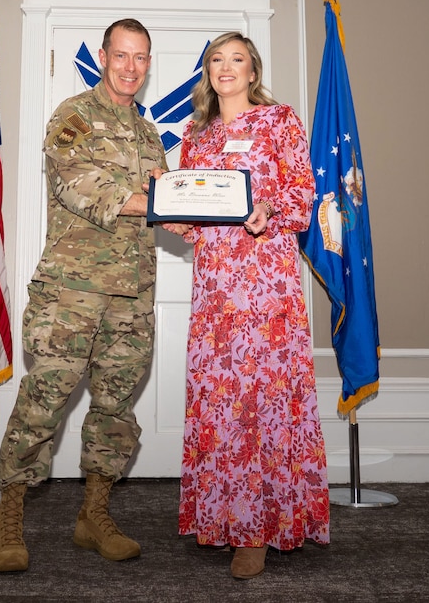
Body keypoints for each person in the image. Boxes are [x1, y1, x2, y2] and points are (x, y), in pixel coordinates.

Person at [0, 18, 168, 573]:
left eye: (140, 58)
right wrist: (159, 202)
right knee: (44, 402)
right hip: (71, 293)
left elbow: (165, 205)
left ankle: (94, 515)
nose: (131, 68)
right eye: (122, 56)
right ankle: (9, 518)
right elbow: (79, 185)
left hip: (131, 297)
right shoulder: (74, 116)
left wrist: (202, 213)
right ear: (105, 57)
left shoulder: (149, 135)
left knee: (115, 408)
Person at [163, 32, 330, 579]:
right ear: (207, 72)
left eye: (237, 60)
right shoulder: (196, 134)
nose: (226, 68)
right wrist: (179, 217)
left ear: (253, 72)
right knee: (221, 392)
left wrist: (268, 212)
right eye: (217, 60)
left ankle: (260, 528)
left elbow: (302, 193)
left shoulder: (279, 120)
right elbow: (192, 198)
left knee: (263, 392)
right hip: (215, 283)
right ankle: (223, 519)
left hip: (266, 279)